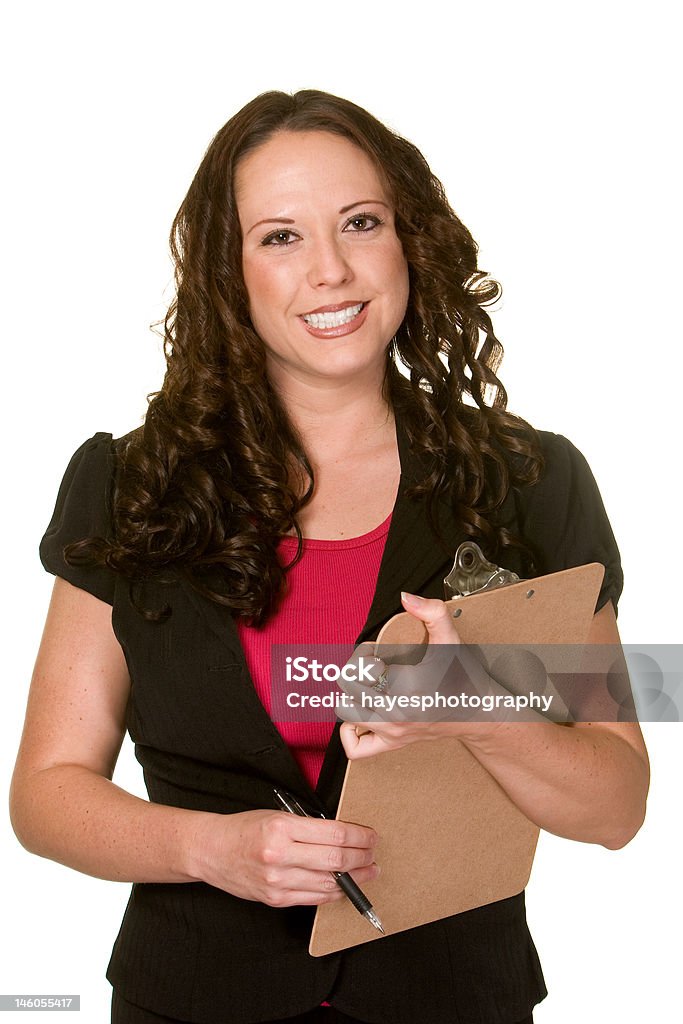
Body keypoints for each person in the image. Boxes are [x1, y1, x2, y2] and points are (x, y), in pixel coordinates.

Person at [10, 90, 649, 1024]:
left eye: (360, 223)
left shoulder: (527, 483)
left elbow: (615, 804)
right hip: (191, 1002)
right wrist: (208, 850)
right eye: (280, 237)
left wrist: (476, 711)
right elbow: (46, 792)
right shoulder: (131, 484)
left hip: (451, 1002)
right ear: (229, 275)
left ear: (407, 241)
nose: (331, 270)